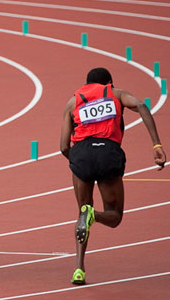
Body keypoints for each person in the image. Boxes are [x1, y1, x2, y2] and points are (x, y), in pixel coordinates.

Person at [60, 68, 165, 285]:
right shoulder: (114, 93)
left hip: (81, 154)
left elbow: (62, 146)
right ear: (109, 82)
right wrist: (156, 145)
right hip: (108, 152)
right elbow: (141, 106)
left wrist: (78, 160)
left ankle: (79, 268)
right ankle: (94, 215)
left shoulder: (73, 102)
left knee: (82, 213)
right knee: (114, 215)